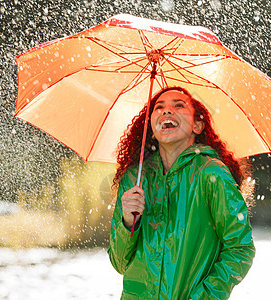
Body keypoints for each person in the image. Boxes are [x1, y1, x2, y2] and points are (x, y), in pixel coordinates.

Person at [108, 86, 255, 299]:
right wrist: (128, 223)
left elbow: (240, 248)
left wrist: (204, 297)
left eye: (179, 105)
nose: (167, 111)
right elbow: (119, 263)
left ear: (197, 125)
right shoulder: (134, 179)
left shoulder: (211, 173)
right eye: (159, 107)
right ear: (151, 126)